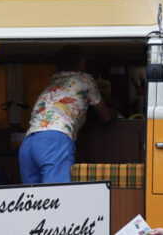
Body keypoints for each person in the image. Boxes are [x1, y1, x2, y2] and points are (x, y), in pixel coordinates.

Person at [18, 45, 115, 185]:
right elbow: (105, 115)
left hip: (28, 142)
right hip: (54, 140)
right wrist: (115, 112)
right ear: (81, 63)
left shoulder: (54, 80)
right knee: (56, 195)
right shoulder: (85, 79)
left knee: (33, 199)